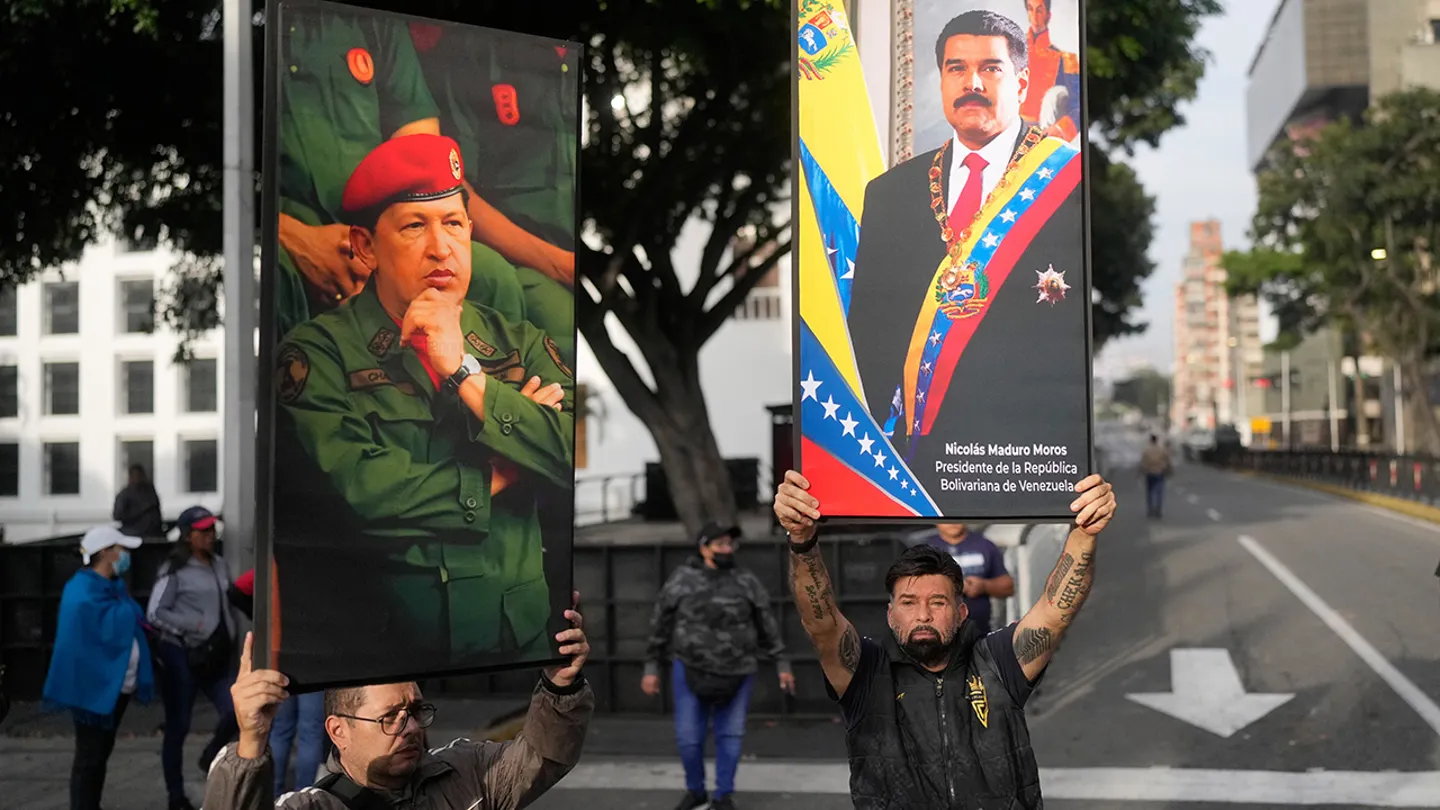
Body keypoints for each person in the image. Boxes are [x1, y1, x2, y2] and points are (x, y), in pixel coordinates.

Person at [272, 132, 574, 678]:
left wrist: (465, 374)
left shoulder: (519, 339)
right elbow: (360, 494)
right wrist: (504, 470)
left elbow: (567, 448)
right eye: (415, 226)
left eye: (454, 224)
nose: (442, 248)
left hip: (518, 650)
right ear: (365, 247)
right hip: (390, 664)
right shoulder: (316, 355)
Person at [846, 10, 1087, 498]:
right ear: (941, 81)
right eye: (956, 68)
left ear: (1021, 84)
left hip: (1027, 458)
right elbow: (869, 336)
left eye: (990, 69)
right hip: (916, 459)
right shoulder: (889, 193)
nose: (971, 82)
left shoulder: (1070, 185)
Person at [774, 469, 1116, 808]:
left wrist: (1084, 532)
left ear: (962, 611)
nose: (923, 614)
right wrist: (802, 542)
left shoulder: (997, 662)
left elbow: (1057, 611)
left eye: (938, 602)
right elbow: (821, 623)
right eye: (908, 603)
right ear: (891, 614)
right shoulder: (864, 672)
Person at [274, 6, 568, 338]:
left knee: (491, 276)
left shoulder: (374, 23)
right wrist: (289, 235)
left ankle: (480, 387)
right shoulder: (250, 23)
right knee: (280, 277)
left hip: (381, 222)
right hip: (288, 221)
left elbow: (425, 161)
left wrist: (389, 245)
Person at [202, 592, 594, 809]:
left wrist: (560, 685)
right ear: (339, 731)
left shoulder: (467, 774)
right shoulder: (312, 809)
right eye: (390, 716)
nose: (409, 728)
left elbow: (544, 758)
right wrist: (251, 743)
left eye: (415, 711)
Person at [408, 22, 579, 366]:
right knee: (561, 334)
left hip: (577, 261)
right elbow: (457, 189)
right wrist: (560, 264)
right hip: (520, 256)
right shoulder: (473, 52)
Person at [642, 522, 795, 810]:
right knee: (688, 738)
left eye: (729, 544)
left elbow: (767, 624)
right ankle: (696, 790)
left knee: (731, 735)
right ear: (704, 547)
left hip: (739, 671)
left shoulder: (746, 581)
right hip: (690, 668)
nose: (726, 549)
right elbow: (659, 623)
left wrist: (782, 663)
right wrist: (652, 666)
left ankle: (724, 795)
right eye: (720, 544)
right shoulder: (682, 579)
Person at [43, 526, 155, 810]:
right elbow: (85, 638)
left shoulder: (113, 588)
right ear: (106, 552)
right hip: (90, 689)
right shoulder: (81, 591)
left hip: (117, 687)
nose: (125, 555)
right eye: (121, 549)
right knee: (89, 756)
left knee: (100, 754)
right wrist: (128, 613)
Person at [146, 505, 241, 810]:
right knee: (179, 725)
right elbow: (155, 612)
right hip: (183, 655)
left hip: (216, 656)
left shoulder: (219, 564)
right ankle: (176, 796)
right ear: (188, 536)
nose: (211, 535)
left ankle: (210, 754)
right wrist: (193, 627)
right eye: (204, 530)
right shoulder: (174, 569)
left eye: (213, 529)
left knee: (235, 711)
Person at [227, 569, 329, 797]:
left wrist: (261, 618)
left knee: (278, 731)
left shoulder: (274, 561)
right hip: (315, 657)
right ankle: (303, 798)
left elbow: (237, 590)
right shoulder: (323, 564)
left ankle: (272, 796)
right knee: (310, 733)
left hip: (277, 655)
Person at [915, 523, 1015, 635]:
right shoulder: (924, 550)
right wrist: (952, 587)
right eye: (946, 517)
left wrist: (984, 586)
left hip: (978, 631)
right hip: (936, 632)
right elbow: (912, 588)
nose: (952, 522)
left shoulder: (985, 545)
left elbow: (1008, 586)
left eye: (957, 515)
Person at [1019, 0, 1080, 140]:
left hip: (1043, 136)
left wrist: (1061, 128)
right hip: (1008, 133)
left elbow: (1078, 105)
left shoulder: (1066, 60)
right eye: (1030, 9)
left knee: (1056, 94)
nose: (1034, 15)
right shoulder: (1009, 53)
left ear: (1048, 15)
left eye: (1039, 10)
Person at [113, 463, 163, 538]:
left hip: (153, 532)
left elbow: (156, 509)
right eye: (136, 475)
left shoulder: (150, 490)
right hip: (133, 532)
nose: (139, 478)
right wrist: (141, 510)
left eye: (140, 475)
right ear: (130, 477)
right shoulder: (124, 494)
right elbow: (117, 516)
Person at [1139, 434, 1172, 518]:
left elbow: (1143, 462)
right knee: (1159, 492)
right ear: (1156, 440)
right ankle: (1158, 510)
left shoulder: (1147, 450)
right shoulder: (1161, 450)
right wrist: (1169, 470)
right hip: (1159, 472)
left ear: (1150, 440)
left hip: (1149, 473)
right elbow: (1167, 460)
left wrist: (1141, 471)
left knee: (1150, 492)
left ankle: (1150, 510)